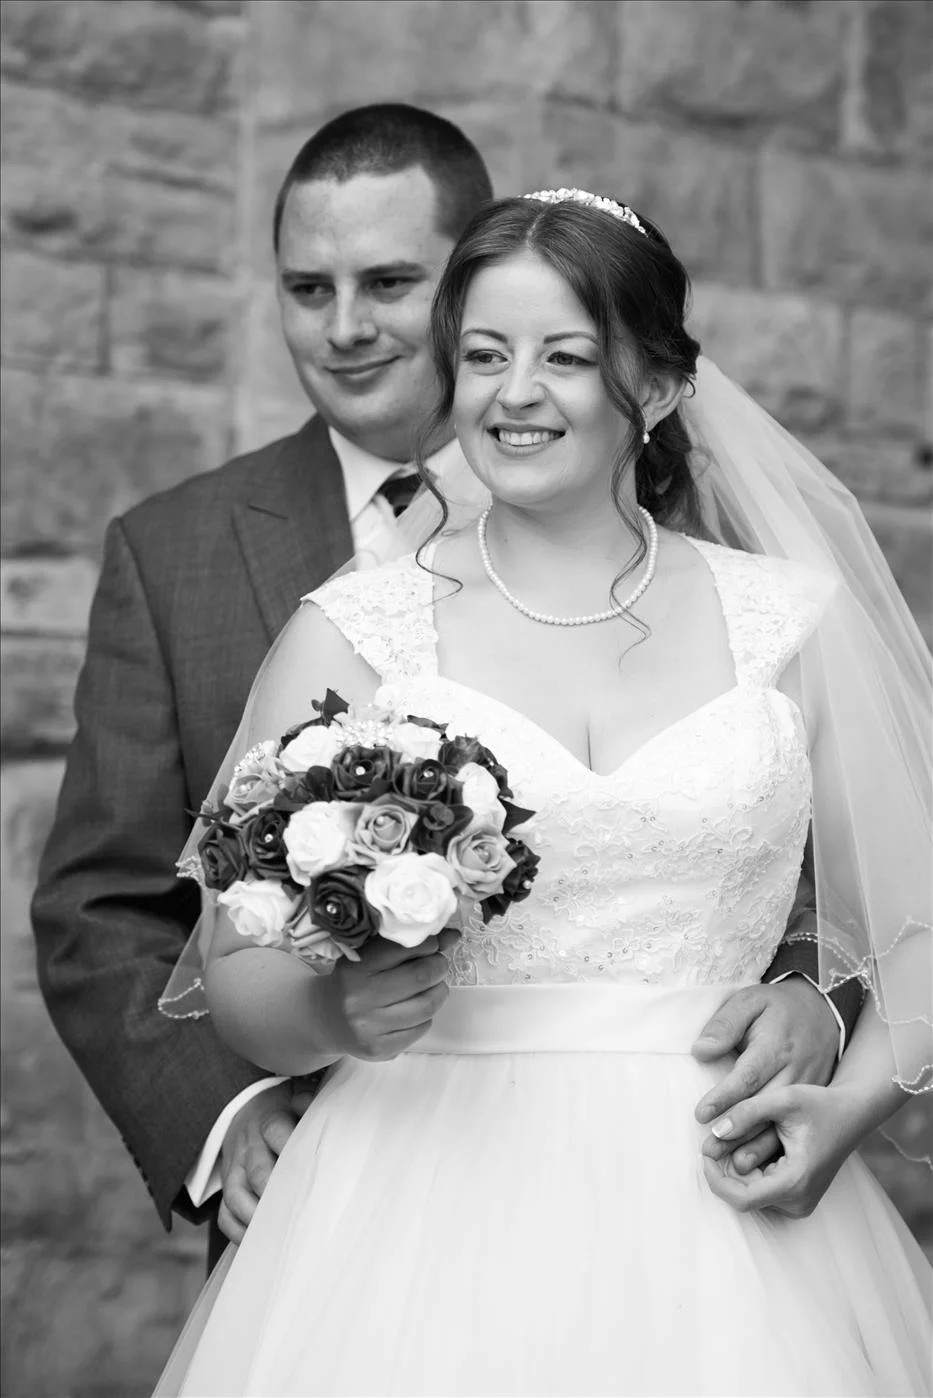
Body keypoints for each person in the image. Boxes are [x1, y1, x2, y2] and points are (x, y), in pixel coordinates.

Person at [33, 96, 856, 1268]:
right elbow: (124, 908)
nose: (345, 327)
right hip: (383, 1201)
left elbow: (852, 871)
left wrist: (823, 1008)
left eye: (387, 283)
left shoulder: (740, 571)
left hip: (712, 1178)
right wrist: (248, 1091)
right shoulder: (222, 571)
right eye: (307, 289)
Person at [154, 191, 931, 1396]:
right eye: (483, 356)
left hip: (721, 1212)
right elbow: (236, 965)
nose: (515, 393)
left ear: (659, 387)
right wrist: (334, 1014)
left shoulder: (786, 622)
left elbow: (921, 916)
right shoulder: (351, 635)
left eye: (565, 357)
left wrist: (852, 1100)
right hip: (413, 1210)